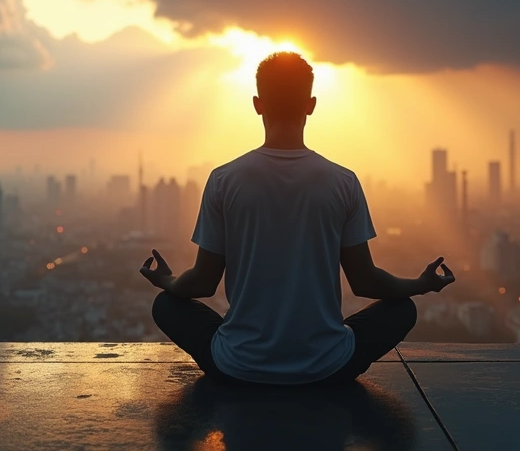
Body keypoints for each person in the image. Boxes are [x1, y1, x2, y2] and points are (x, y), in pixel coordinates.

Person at [140, 51, 455, 386]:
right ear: (311, 104)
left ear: (257, 104)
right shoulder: (342, 181)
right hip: (327, 367)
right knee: (403, 310)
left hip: (238, 367)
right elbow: (365, 282)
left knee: (166, 305)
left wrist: (167, 281)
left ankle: (243, 358)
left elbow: (202, 283)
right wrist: (421, 285)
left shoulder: (223, 180)